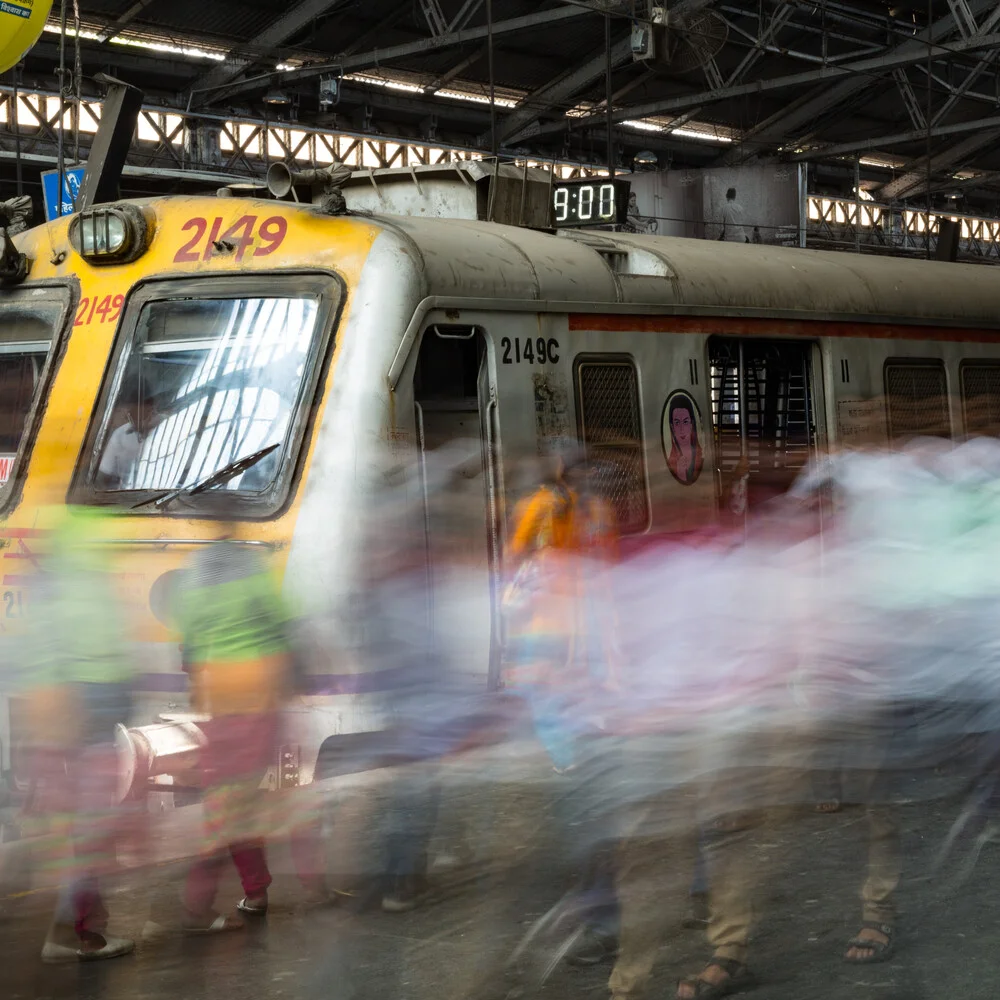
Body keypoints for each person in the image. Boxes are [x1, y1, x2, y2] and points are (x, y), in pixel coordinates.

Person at [23, 506, 136, 963]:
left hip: (59, 711)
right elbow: (106, 656)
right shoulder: (91, 584)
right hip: (85, 711)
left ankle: (77, 928)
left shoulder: (52, 583)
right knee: (90, 830)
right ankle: (79, 934)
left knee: (74, 829)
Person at [173, 535, 303, 932]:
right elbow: (283, 627)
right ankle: (253, 891)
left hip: (230, 703)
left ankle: (206, 903)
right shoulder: (252, 568)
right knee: (237, 804)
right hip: (254, 703)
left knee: (227, 806)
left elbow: (190, 643)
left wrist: (197, 680)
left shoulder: (200, 571)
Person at [666, 396, 704, 486]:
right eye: (677, 422)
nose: (682, 429)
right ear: (672, 427)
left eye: (685, 422)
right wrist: (680, 475)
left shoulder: (702, 456)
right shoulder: (669, 464)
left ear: (692, 424)